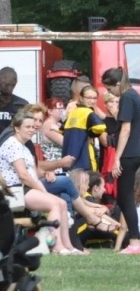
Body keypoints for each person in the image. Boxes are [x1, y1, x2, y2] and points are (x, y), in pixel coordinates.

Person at [0, 105, 83, 255]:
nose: (32, 129)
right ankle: (57, 246)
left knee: (62, 202)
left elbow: (32, 175)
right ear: (17, 128)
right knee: (54, 203)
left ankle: (68, 246)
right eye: (28, 127)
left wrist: (44, 190)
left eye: (33, 127)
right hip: (13, 190)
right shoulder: (13, 144)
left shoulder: (24, 147)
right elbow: (24, 176)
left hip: (23, 188)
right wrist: (44, 193)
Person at [103, 67, 140, 239]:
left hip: (128, 153)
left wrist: (116, 159)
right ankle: (135, 238)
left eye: (110, 89)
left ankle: (136, 240)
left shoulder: (127, 97)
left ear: (117, 84)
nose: (110, 93)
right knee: (122, 198)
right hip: (135, 151)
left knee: (126, 198)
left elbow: (125, 129)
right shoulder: (136, 96)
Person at [61, 81, 107, 174]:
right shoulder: (87, 112)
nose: (92, 101)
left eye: (94, 98)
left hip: (69, 159)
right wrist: (91, 134)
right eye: (89, 98)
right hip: (86, 158)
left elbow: (61, 130)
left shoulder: (72, 112)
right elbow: (100, 127)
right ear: (81, 98)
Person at [0, 68, 27, 135]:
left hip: (12, 143)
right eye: (6, 84)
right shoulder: (22, 104)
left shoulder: (21, 104)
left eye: (11, 85)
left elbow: (26, 131)